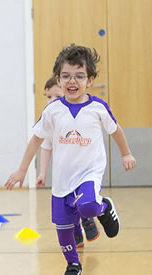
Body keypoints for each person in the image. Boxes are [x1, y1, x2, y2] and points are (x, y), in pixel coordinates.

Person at [5, 44, 136, 275]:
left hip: (89, 173)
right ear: (58, 79)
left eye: (79, 76)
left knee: (87, 207)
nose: (72, 81)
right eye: (65, 76)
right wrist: (22, 169)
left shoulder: (97, 108)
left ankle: (103, 207)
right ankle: (73, 265)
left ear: (90, 80)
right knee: (64, 229)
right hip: (62, 180)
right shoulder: (53, 110)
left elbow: (116, 131)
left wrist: (125, 153)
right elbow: (36, 140)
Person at [34, 76, 96, 248]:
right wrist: (42, 172)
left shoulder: (76, 117)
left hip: (83, 170)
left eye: (55, 96)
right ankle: (76, 234)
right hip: (63, 174)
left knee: (81, 200)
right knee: (67, 205)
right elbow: (46, 147)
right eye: (48, 97)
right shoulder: (50, 121)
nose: (51, 100)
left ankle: (88, 220)